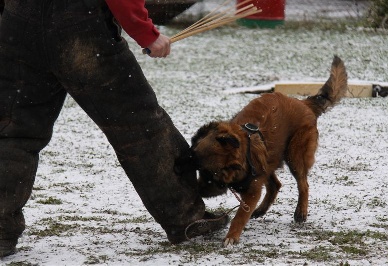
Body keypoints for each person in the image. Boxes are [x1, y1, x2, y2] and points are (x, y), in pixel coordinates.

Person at [0, 0, 228, 258]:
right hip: (80, 26)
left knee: (12, 133)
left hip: (17, 24)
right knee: (140, 128)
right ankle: (186, 217)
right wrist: (147, 33)